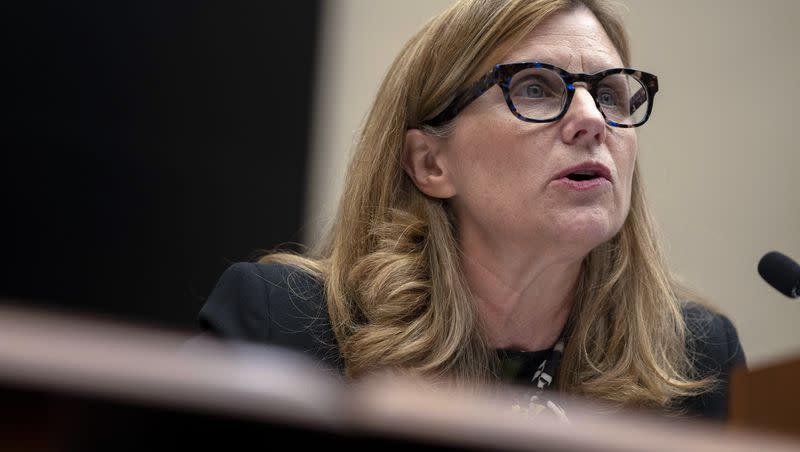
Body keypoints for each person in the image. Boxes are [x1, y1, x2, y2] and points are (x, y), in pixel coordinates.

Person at [197, 0, 745, 421]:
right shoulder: (286, 329)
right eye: (535, 88)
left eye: (610, 95)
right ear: (430, 163)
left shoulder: (695, 362)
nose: (592, 120)